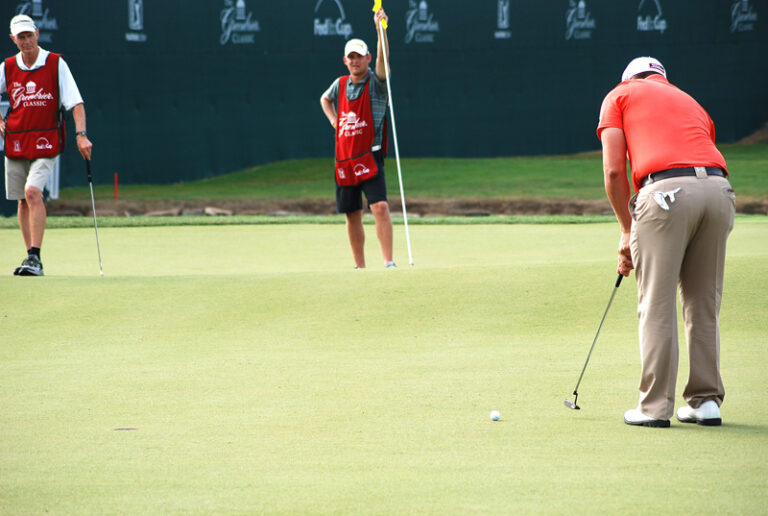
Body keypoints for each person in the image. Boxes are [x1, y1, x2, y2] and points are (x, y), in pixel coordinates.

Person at [597, 57, 735, 428]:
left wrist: (627, 230)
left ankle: (654, 408)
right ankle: (706, 402)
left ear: (629, 78)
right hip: (720, 192)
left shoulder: (619, 95)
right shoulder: (690, 100)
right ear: (662, 78)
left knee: (656, 302)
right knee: (702, 301)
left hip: (665, 193)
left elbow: (613, 171)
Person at [1, 14, 93, 276]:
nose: (26, 40)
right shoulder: (7, 66)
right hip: (16, 140)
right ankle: (30, 257)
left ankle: (35, 258)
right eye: (21, 37)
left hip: (46, 140)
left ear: (37, 34)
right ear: (13, 39)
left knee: (32, 192)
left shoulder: (55, 63)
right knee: (21, 200)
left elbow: (75, 102)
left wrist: (81, 134)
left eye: (30, 35)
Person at [320, 8, 395, 269]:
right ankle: (359, 267)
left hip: (370, 155)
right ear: (345, 60)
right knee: (352, 214)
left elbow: (384, 60)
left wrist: (380, 30)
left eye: (360, 57)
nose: (355, 61)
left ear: (367, 58)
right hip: (344, 159)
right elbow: (324, 99)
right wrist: (334, 121)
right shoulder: (339, 85)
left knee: (380, 207)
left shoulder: (376, 83)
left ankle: (388, 262)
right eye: (351, 57)